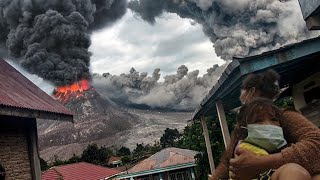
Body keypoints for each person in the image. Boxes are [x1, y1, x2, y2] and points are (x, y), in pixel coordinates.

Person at [211, 70, 320, 180]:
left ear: (251, 92)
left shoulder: (283, 115)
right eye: (258, 121)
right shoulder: (242, 128)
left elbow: (316, 142)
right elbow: (226, 163)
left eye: (242, 93)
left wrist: (262, 163)